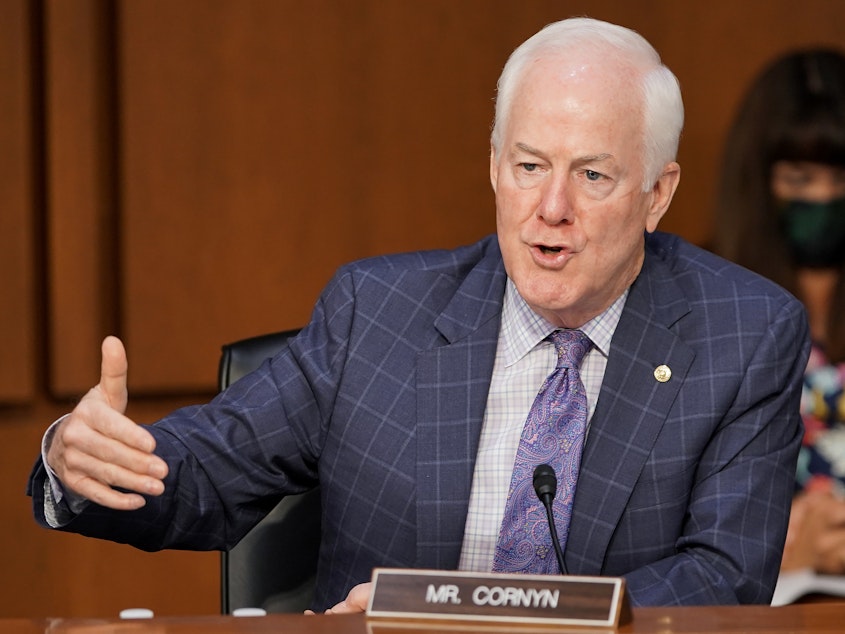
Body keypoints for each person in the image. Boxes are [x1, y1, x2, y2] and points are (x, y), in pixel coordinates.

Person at [29, 17, 810, 611]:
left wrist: (475, 615)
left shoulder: (741, 333)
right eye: (528, 166)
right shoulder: (378, 313)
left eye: (594, 176)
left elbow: (721, 577)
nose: (551, 209)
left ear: (658, 193)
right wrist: (82, 461)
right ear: (494, 165)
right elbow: (208, 469)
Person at [713, 48, 845, 577]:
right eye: (800, 178)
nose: (826, 197)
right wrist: (792, 548)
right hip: (765, 585)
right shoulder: (705, 299)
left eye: (840, 178)